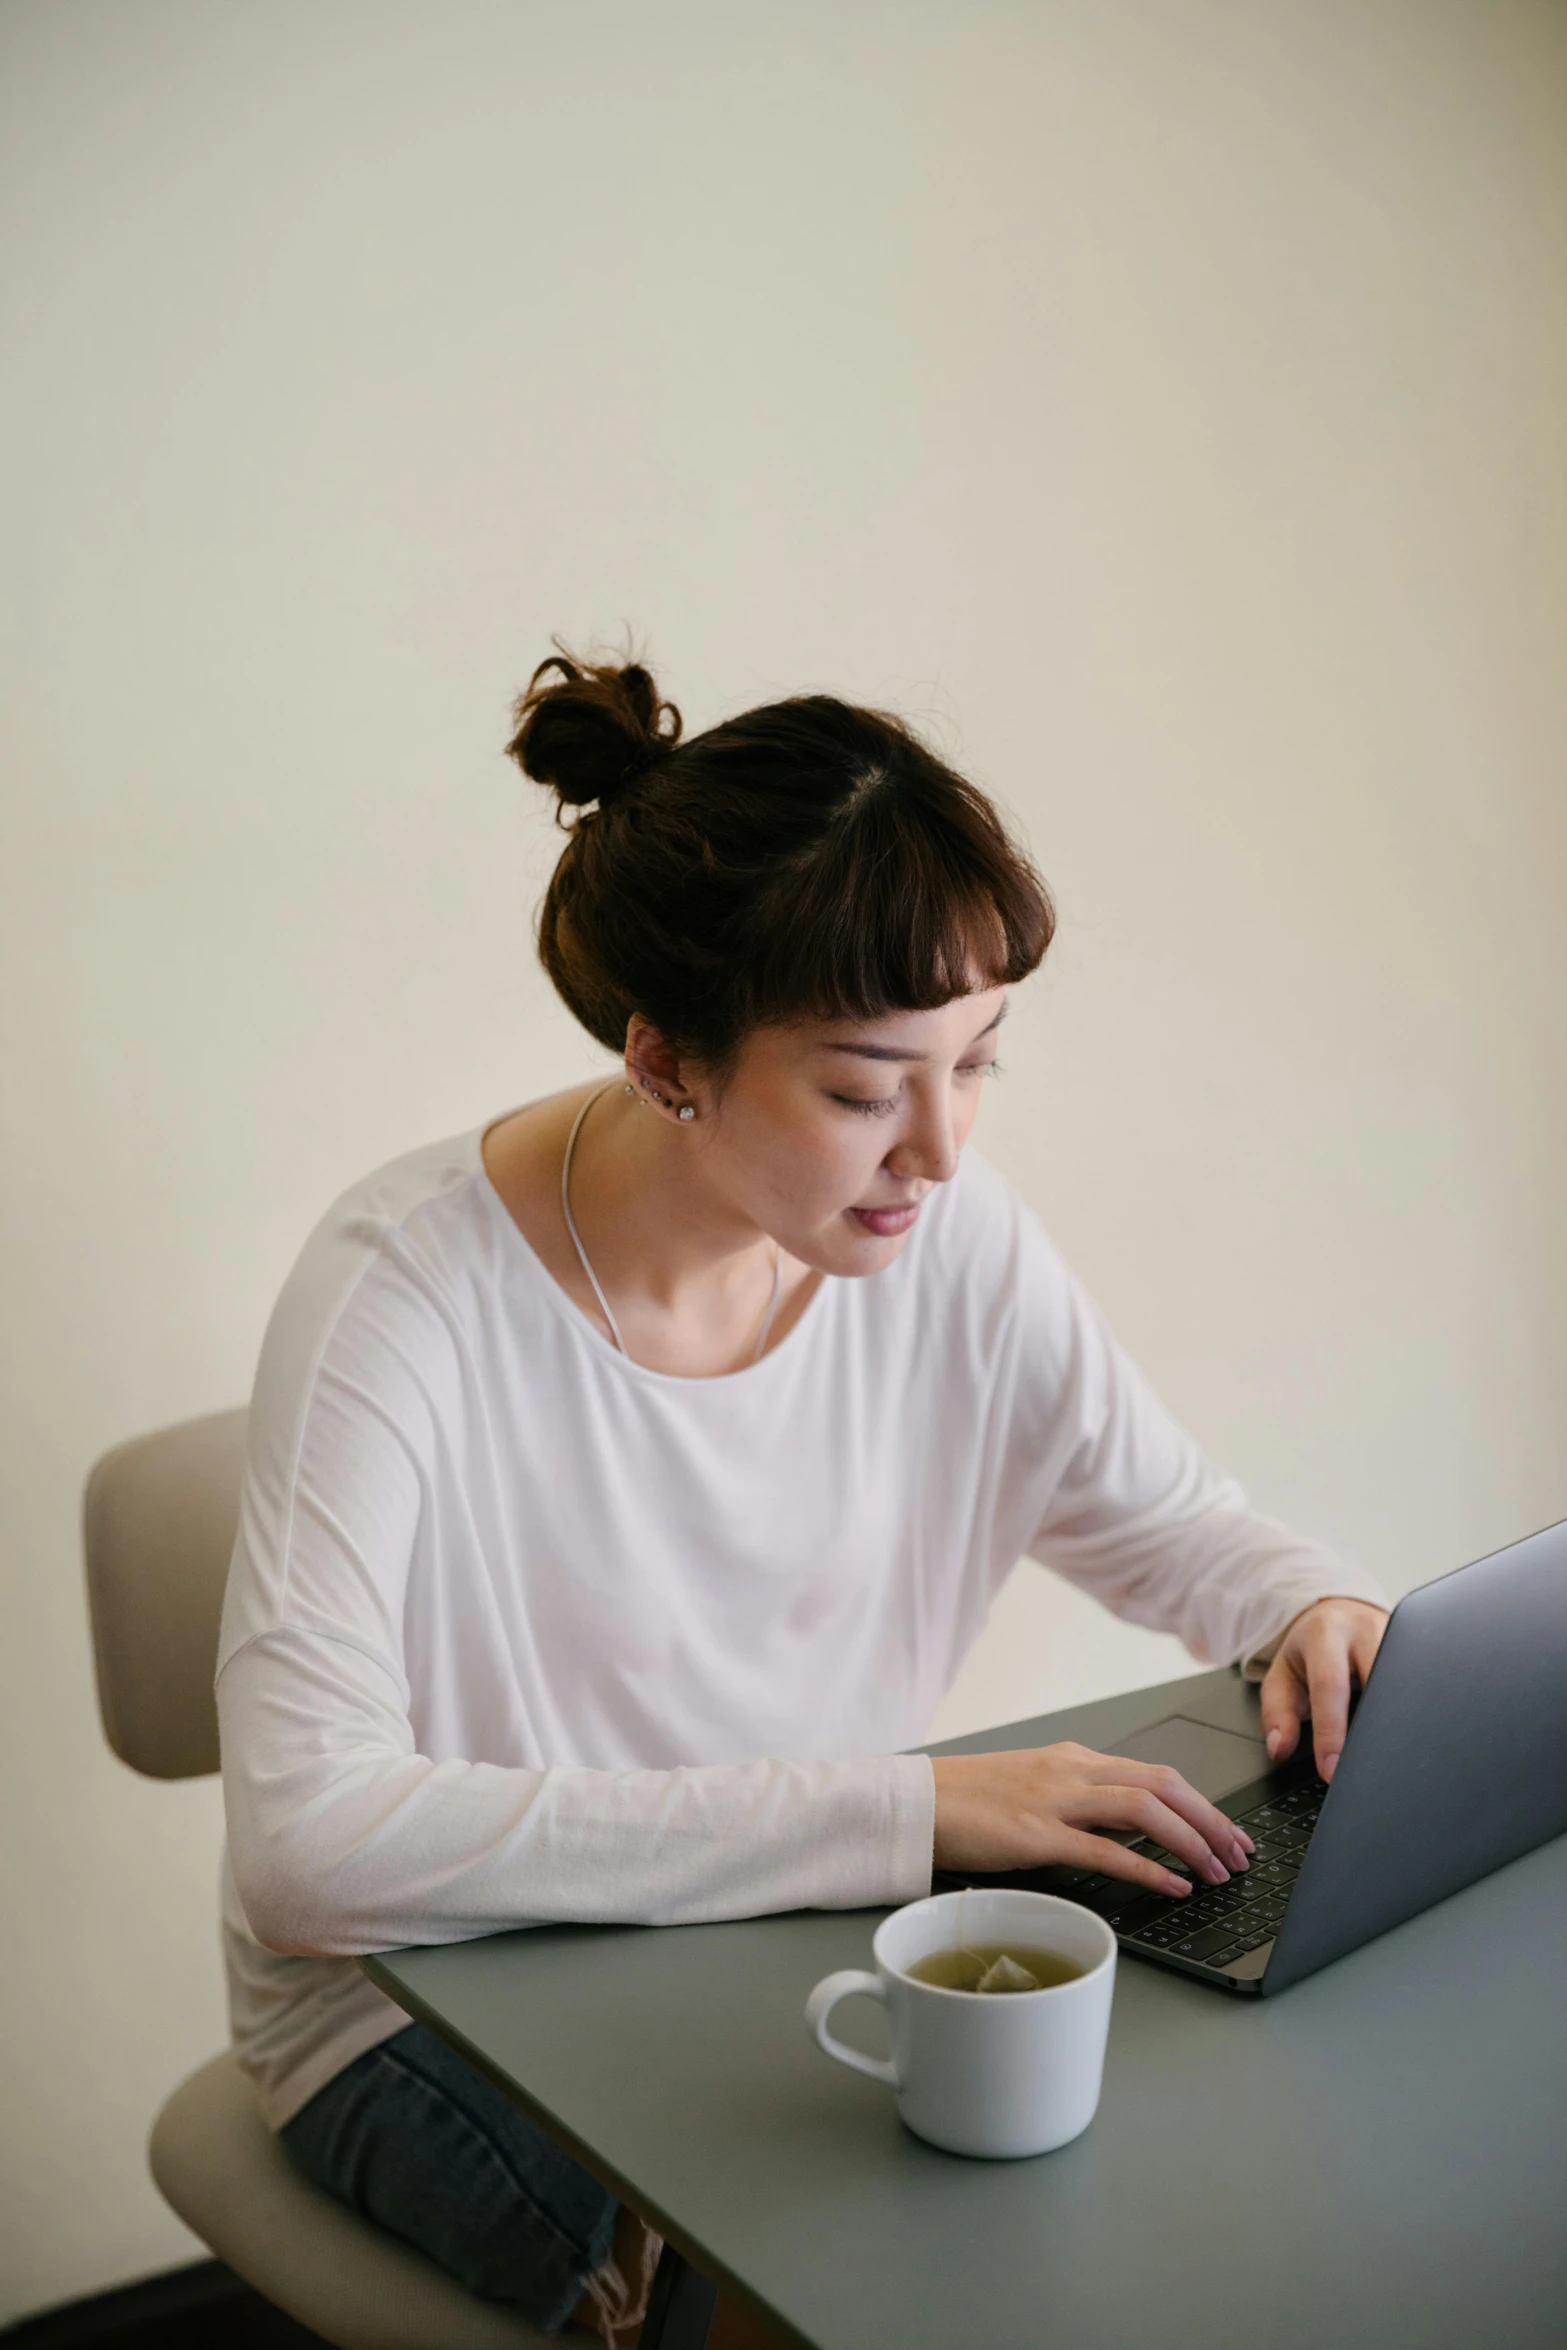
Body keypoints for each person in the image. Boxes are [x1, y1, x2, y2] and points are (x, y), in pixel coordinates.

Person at [217, 653, 1389, 2344]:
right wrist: (904, 1809)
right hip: (420, 2005)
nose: (939, 1147)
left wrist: (1305, 1602)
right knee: (863, 2252)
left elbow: (1154, 1511)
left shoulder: (939, 1237)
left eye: (976, 1060)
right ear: (666, 1057)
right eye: (860, 1089)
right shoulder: (403, 1298)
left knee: (1104, 2179)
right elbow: (308, 1853)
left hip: (770, 1937)